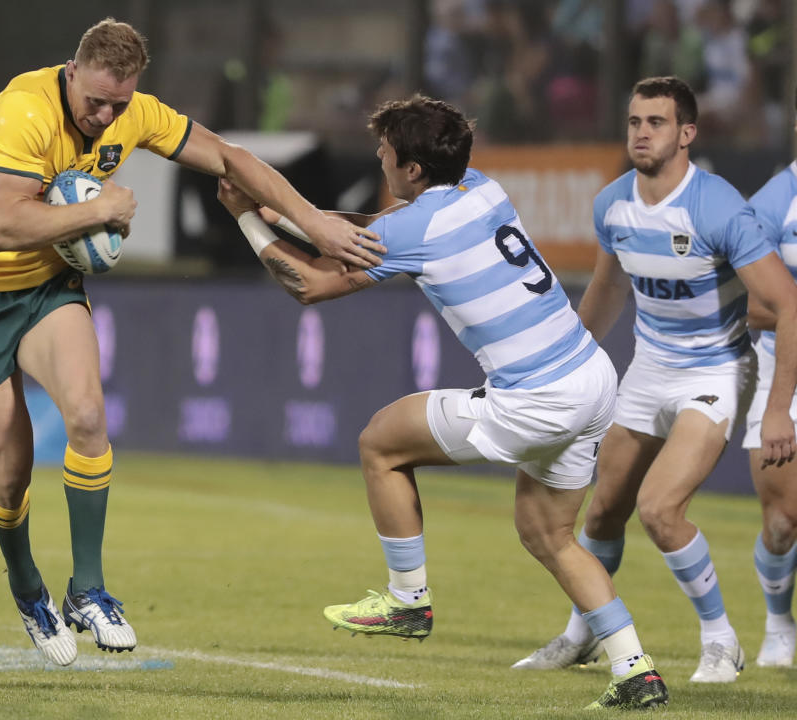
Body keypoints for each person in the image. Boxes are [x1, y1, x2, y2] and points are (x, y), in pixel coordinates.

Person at [0, 18, 384, 667]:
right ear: (72, 71)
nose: (106, 116)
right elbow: (2, 225)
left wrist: (314, 221)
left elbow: (230, 158)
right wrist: (101, 210)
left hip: (47, 289)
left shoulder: (132, 113)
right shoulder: (22, 110)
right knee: (9, 470)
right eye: (96, 102)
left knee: (87, 415)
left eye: (119, 103)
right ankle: (29, 590)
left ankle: (87, 589)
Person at [218, 95, 668, 710]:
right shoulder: (479, 188)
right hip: (591, 376)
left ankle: (407, 600)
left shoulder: (415, 226)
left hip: (535, 398)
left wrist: (247, 220)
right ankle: (635, 669)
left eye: (385, 154)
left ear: (412, 171)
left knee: (380, 442)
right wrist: (276, 207)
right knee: (550, 533)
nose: (379, 161)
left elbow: (314, 284)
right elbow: (361, 230)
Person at [511, 76, 797, 683]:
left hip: (717, 372)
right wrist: (568, 356)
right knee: (599, 516)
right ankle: (582, 633)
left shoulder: (718, 207)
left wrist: (775, 410)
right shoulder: (612, 202)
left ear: (687, 133)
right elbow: (611, 285)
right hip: (649, 370)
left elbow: (786, 303)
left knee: (660, 511)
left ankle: (722, 640)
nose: (643, 133)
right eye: (635, 122)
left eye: (657, 122)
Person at [743, 127, 797, 667]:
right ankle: (779, 622)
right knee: (783, 521)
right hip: (783, 371)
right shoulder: (771, 205)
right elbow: (756, 308)